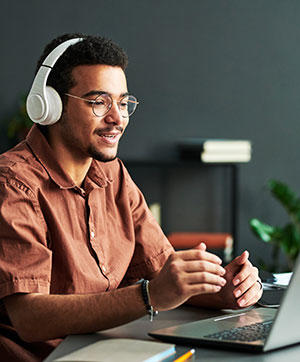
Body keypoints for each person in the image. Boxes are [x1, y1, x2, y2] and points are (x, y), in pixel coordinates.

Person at [0, 33, 262, 362]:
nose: (117, 118)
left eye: (123, 103)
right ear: (50, 106)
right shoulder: (13, 184)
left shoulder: (114, 176)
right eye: (99, 102)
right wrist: (149, 296)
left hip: (112, 349)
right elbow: (29, 317)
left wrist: (223, 290)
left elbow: (164, 272)